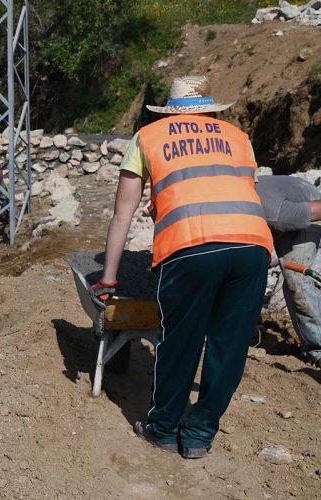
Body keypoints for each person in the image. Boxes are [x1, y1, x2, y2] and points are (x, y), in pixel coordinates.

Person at [91, 75, 273, 459]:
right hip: (252, 247)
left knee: (180, 341)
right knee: (229, 345)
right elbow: (243, 191)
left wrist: (109, 278)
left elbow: (122, 214)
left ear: (170, 111)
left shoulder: (150, 137)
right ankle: (199, 435)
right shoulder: (237, 137)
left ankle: (161, 428)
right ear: (209, 109)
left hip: (191, 246)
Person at [256, 174, 321, 368]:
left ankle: (316, 348)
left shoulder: (276, 214)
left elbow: (312, 212)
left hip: (305, 206)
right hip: (283, 200)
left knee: (297, 281)